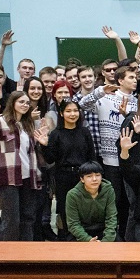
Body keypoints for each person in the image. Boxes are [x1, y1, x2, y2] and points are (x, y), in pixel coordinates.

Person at [0, 92, 45, 241]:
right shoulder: (0, 121)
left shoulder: (27, 124)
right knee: (11, 218)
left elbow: (30, 151)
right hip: (8, 177)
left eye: (27, 103)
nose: (25, 105)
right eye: (21, 102)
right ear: (12, 103)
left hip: (28, 176)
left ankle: (25, 249)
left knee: (28, 217)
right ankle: (3, 251)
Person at [79, 66, 139, 238]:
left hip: (131, 159)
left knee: (131, 201)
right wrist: (100, 91)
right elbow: (83, 104)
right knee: (114, 200)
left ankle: (127, 235)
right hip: (110, 159)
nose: (135, 80)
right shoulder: (105, 98)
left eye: (135, 77)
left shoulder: (137, 102)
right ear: (120, 80)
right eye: (131, 77)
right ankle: (112, 235)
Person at [37, 99, 95, 241]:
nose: (72, 114)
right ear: (61, 113)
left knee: (85, 209)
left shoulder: (85, 132)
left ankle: (85, 238)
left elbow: (91, 157)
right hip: (63, 177)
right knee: (65, 210)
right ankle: (69, 240)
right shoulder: (56, 133)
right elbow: (50, 159)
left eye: (75, 111)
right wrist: (44, 145)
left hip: (83, 177)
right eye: (68, 111)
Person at [64, 161, 117, 242]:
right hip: (81, 232)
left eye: (97, 175)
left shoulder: (109, 190)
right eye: (89, 176)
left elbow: (111, 218)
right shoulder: (72, 195)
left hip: (103, 230)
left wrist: (106, 241)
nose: (94, 179)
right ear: (82, 179)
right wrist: (88, 239)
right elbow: (73, 224)